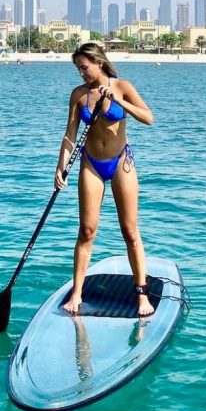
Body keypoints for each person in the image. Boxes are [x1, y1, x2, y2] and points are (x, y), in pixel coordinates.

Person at [55, 43, 155, 317]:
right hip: (91, 164)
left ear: (99, 62)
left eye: (84, 67)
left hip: (121, 163)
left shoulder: (123, 86)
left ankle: (142, 295)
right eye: (78, 69)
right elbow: (69, 135)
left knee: (129, 231)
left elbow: (148, 118)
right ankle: (77, 293)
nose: (81, 73)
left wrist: (119, 101)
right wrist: (60, 166)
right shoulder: (78, 95)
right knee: (86, 230)